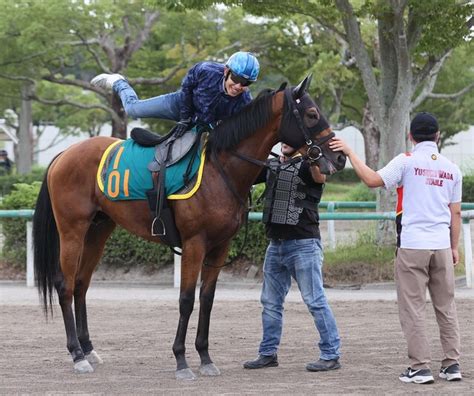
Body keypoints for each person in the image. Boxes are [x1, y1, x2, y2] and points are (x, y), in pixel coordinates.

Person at [330, 112, 462, 384]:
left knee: (413, 308)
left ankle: (420, 367)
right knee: (446, 308)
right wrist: (454, 247)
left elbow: (371, 180)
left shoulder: (406, 161)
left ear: (411, 136)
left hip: (413, 244)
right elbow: (456, 214)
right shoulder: (452, 168)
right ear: (438, 136)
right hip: (440, 245)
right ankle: (451, 364)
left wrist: (351, 152)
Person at [243, 143, 341, 372]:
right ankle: (267, 353)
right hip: (275, 244)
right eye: (282, 139)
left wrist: (313, 154)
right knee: (270, 303)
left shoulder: (310, 164)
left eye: (290, 139)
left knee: (315, 301)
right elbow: (243, 171)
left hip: (304, 244)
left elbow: (320, 176)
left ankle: (331, 354)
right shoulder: (272, 165)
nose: (284, 142)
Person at [90, 51, 259, 136]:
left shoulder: (244, 101)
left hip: (203, 124)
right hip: (180, 105)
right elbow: (186, 89)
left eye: (246, 83)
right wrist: (185, 117)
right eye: (236, 78)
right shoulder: (205, 70)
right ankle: (119, 82)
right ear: (226, 71)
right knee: (133, 110)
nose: (238, 86)